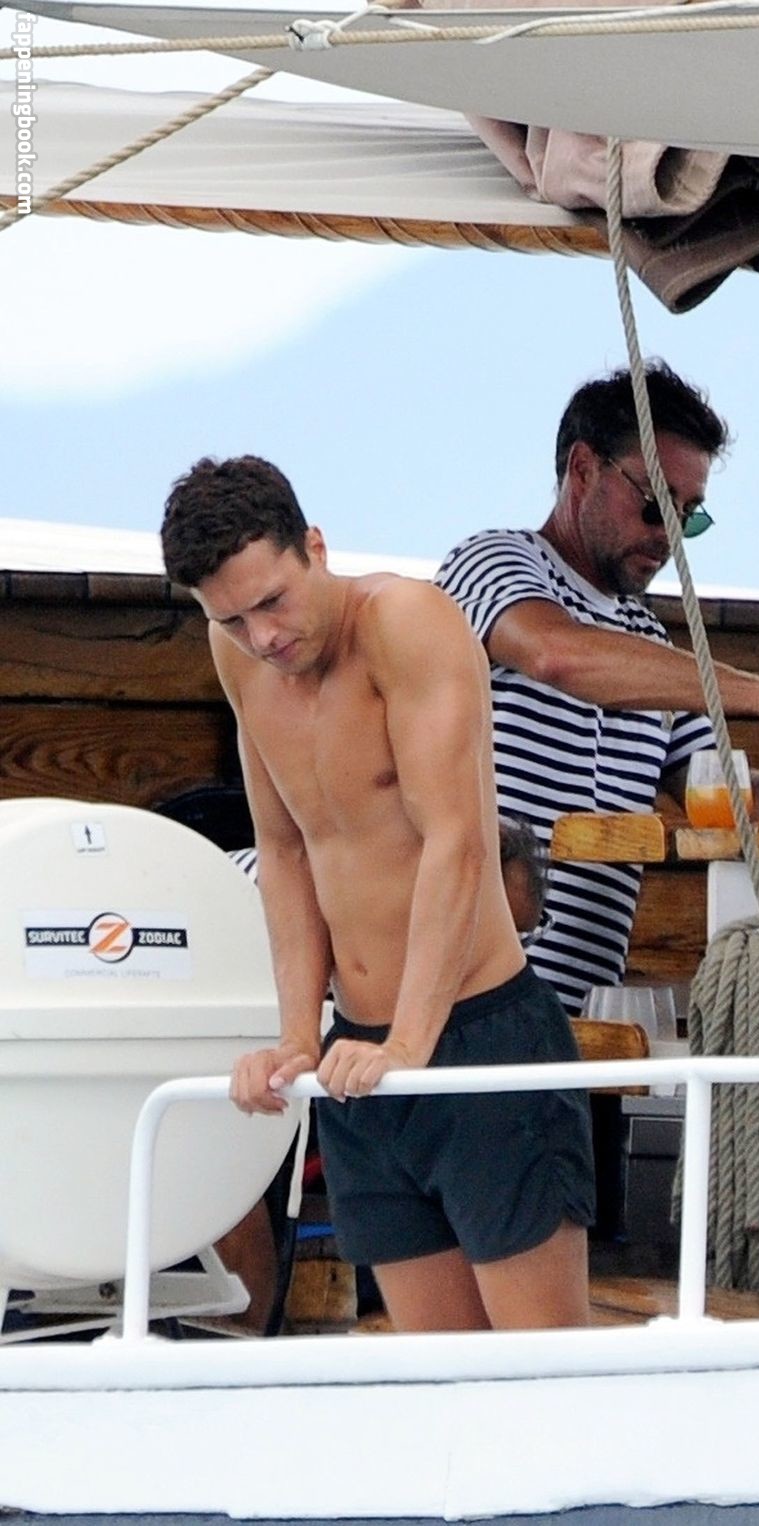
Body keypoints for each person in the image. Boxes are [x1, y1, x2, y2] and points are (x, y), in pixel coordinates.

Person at [163, 455, 593, 1332]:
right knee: (436, 1379)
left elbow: (457, 841)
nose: (263, 638)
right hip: (357, 1056)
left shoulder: (406, 620)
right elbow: (285, 849)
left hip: (476, 1036)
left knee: (544, 1381)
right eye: (232, 619)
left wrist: (409, 1040)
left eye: (273, 602)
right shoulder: (238, 656)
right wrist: (297, 1037)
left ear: (316, 547)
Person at [435, 364, 759, 1017]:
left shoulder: (645, 638)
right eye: (656, 504)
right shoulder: (492, 563)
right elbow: (556, 654)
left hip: (577, 1019)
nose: (669, 536)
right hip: (466, 1003)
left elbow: (713, 791)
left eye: (689, 516)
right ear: (582, 469)